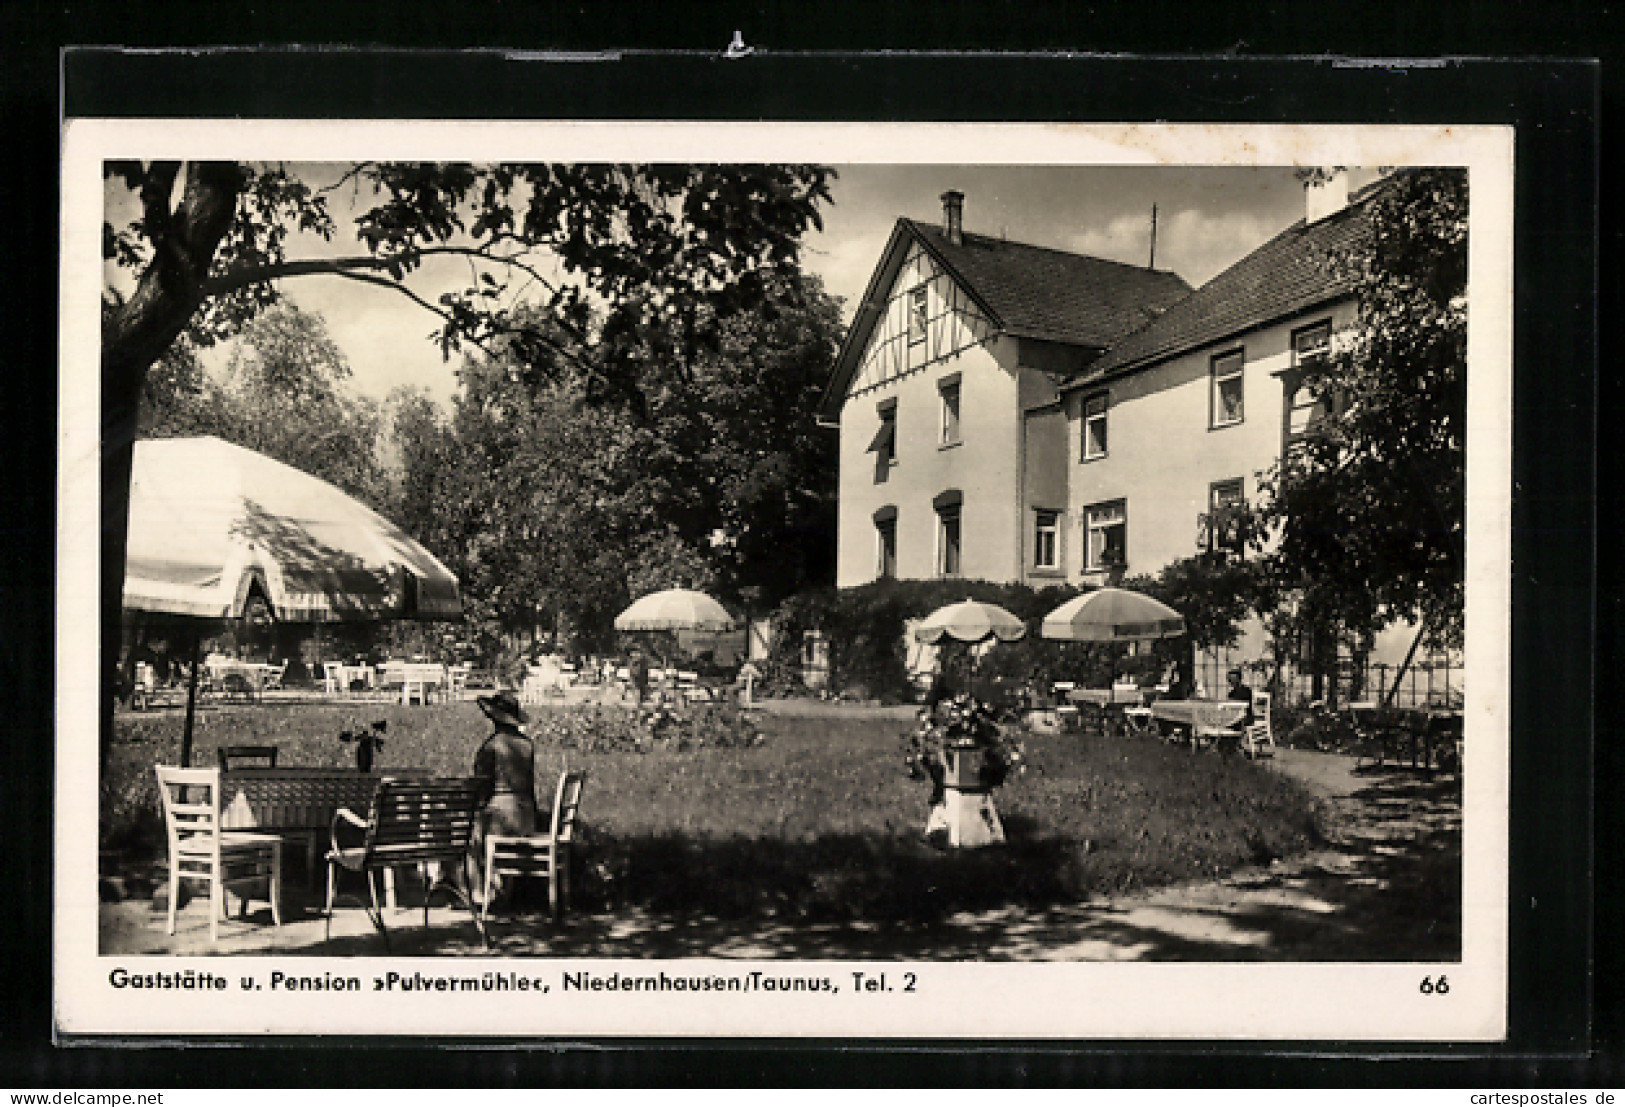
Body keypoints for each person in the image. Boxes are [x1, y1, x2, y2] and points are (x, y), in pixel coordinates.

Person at [470, 690, 538, 907]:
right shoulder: (527, 745)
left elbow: (482, 788)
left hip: (501, 819)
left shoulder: (490, 747)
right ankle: (500, 889)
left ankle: (480, 893)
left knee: (468, 833)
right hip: (527, 816)